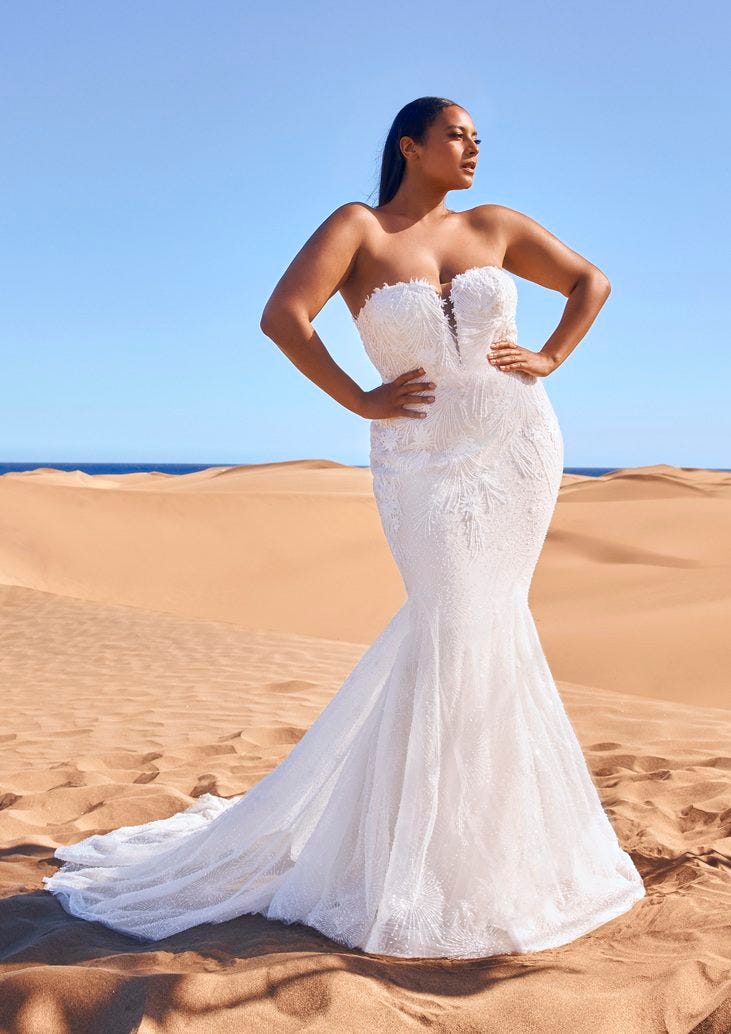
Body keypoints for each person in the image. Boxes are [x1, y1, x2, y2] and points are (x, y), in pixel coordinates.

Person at [44, 96, 645, 958]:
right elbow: (283, 315)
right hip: (420, 458)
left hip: (516, 445)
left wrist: (548, 357)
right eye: (455, 135)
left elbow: (593, 282)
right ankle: (415, 846)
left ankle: (484, 847)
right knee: (451, 622)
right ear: (410, 145)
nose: (472, 147)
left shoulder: (496, 224)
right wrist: (358, 397)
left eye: (478, 137)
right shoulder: (358, 228)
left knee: (488, 624)